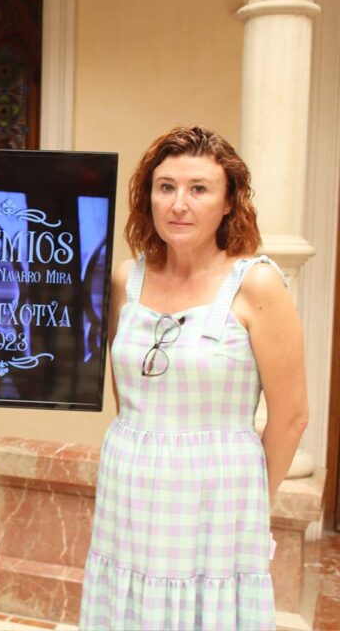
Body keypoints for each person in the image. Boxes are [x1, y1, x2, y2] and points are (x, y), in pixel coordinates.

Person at [79, 126, 308, 630]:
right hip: (129, 481)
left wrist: (252, 504)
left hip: (218, 493)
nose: (178, 204)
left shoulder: (256, 284)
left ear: (229, 203)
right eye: (166, 187)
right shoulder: (126, 278)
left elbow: (291, 417)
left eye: (199, 189)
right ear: (149, 196)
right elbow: (127, 392)